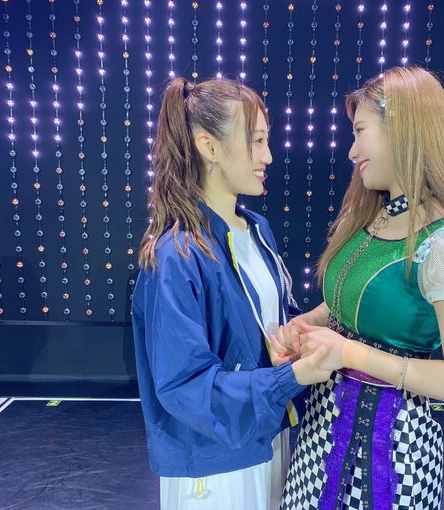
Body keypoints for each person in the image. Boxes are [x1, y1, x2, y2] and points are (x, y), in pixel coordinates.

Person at [276, 66, 444, 510]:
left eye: (360, 131)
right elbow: (347, 302)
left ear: (403, 130)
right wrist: (306, 323)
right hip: (321, 432)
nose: (352, 151)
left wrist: (347, 353)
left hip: (393, 452)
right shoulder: (369, 215)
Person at [131, 76, 330, 510]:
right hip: (214, 465)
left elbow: (267, 324)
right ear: (210, 146)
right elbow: (185, 387)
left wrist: (300, 333)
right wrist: (291, 377)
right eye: (256, 141)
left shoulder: (257, 229)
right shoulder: (176, 256)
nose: (268, 156)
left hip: (266, 436)